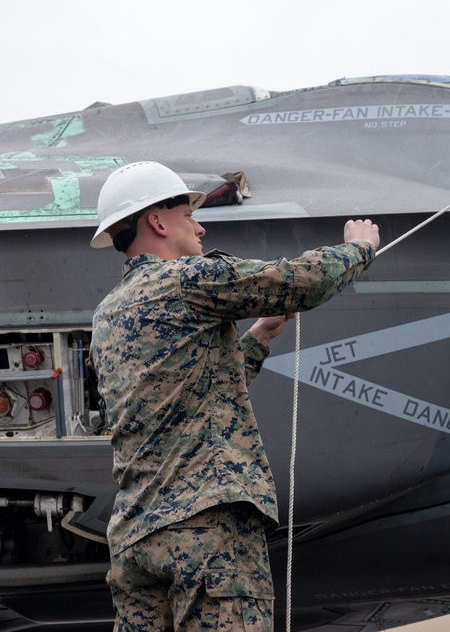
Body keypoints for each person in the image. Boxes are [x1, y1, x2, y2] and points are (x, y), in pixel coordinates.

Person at [89, 161, 380, 631]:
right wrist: (358, 249)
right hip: (207, 529)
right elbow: (297, 281)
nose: (199, 226)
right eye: (188, 215)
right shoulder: (186, 279)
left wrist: (258, 338)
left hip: (136, 541)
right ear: (157, 222)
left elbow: (183, 395)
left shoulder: (107, 315)